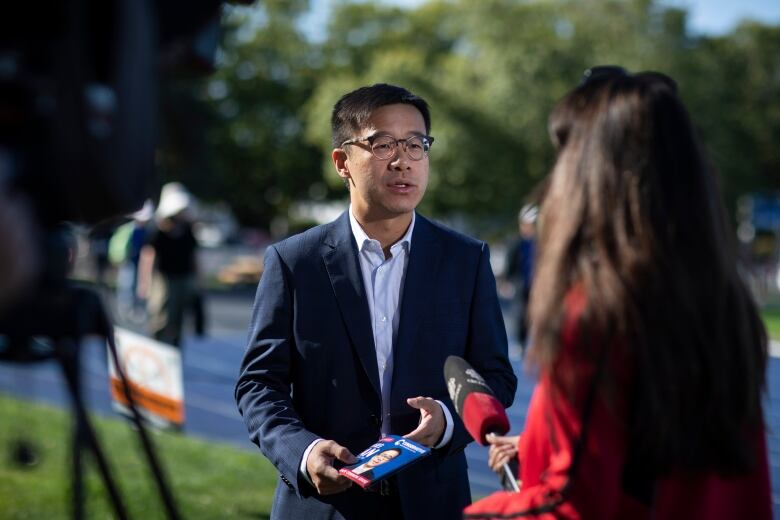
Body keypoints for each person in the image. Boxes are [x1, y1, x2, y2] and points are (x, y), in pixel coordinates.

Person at [464, 67, 771, 519]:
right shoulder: (725, 303)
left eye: (564, 155)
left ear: (593, 173)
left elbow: (573, 505)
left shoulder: (596, 314)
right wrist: (537, 445)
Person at [235, 83, 517, 520]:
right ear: (342, 162)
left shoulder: (467, 260)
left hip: (433, 502)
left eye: (416, 144)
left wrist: (446, 422)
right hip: (323, 506)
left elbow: (496, 377)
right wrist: (305, 453)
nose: (402, 159)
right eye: (382, 144)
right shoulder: (294, 262)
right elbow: (259, 384)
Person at [137, 182, 201, 347]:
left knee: (179, 318)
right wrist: (144, 282)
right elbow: (148, 257)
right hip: (163, 278)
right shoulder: (158, 230)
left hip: (183, 277)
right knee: (161, 316)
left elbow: (193, 255)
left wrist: (198, 280)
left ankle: (174, 350)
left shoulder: (187, 229)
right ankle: (156, 348)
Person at [503, 204, 537, 354]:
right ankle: (521, 343)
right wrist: (506, 282)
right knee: (520, 313)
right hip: (520, 283)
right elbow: (509, 263)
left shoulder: (541, 242)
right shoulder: (515, 242)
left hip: (538, 284)